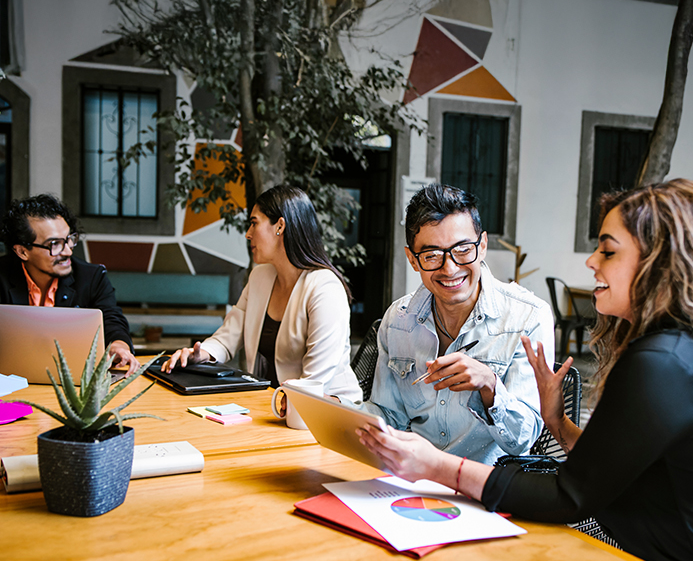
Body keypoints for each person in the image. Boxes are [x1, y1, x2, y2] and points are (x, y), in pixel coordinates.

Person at [358, 178, 693, 561]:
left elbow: (569, 497)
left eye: (608, 251)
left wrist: (438, 466)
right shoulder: (675, 351)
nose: (591, 261)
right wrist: (557, 423)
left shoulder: (663, 362)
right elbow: (607, 469)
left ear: (660, 263)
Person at [349, 183, 554, 464]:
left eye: (462, 250)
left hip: (489, 487)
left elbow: (523, 440)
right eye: (432, 255)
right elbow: (389, 416)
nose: (450, 269)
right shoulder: (398, 320)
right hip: (411, 478)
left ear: (482, 246)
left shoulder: (528, 318)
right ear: (412, 259)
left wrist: (489, 386)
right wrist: (338, 413)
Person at [163, 185, 362, 401]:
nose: (248, 234)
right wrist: (198, 355)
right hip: (270, 403)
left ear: (280, 226)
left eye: (254, 223)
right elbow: (227, 338)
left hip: (325, 411)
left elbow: (314, 383)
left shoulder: (325, 289)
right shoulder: (260, 277)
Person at [0, 194, 139, 372]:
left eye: (69, 240)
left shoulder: (92, 277)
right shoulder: (2, 277)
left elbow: (112, 320)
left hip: (74, 379)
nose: (67, 252)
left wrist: (119, 346)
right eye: (54, 244)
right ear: (22, 251)